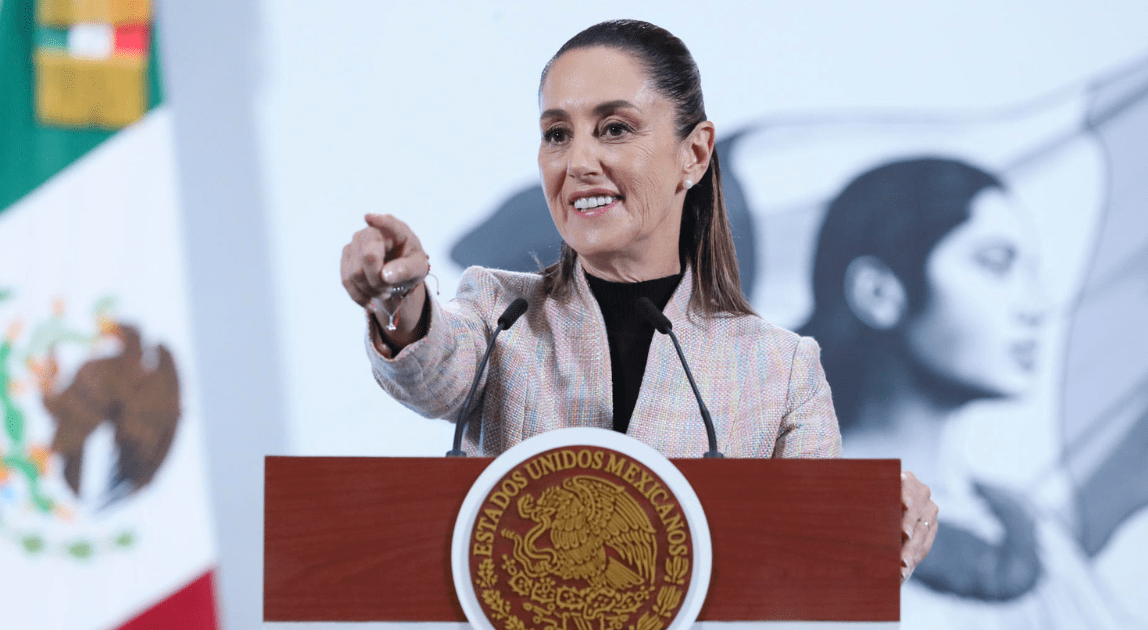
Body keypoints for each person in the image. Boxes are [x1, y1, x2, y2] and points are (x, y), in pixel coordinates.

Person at [339, 19, 937, 578]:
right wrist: (398, 301)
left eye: (615, 129)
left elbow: (816, 563)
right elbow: (435, 369)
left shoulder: (781, 371)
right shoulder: (500, 314)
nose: (578, 162)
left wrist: (877, 531)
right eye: (557, 134)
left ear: (693, 154)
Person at [801, 158, 1140, 628]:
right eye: (995, 264)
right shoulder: (785, 522)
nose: (1036, 306)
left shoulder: (1032, 533)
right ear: (878, 292)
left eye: (1030, 271)